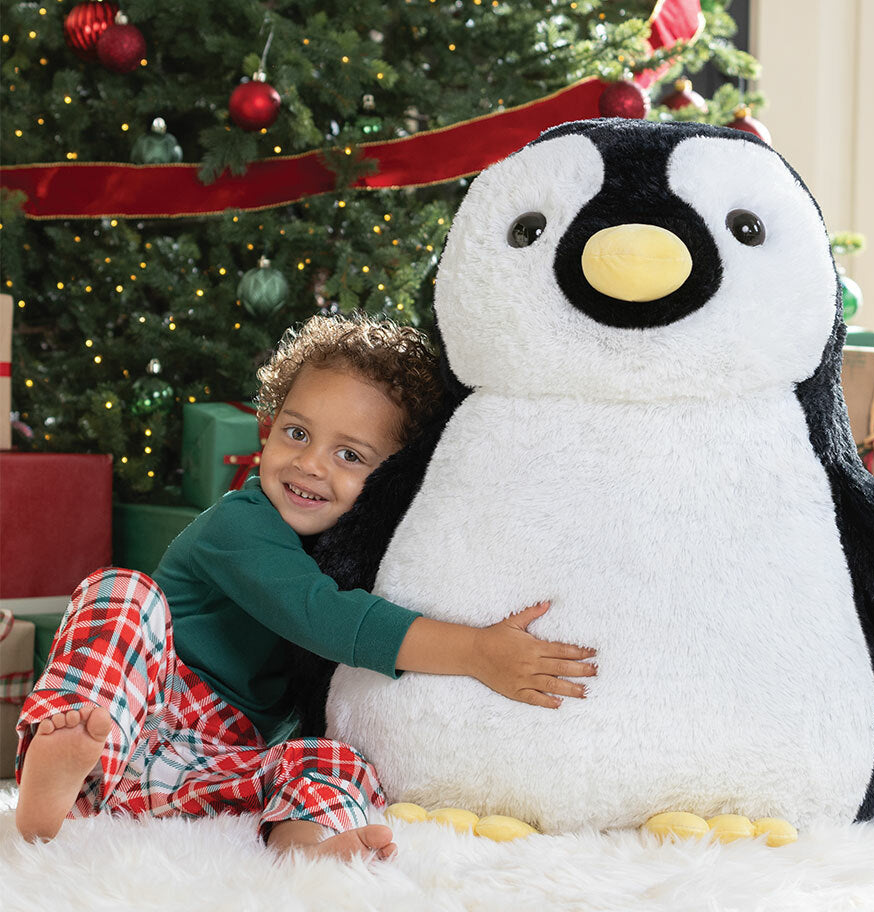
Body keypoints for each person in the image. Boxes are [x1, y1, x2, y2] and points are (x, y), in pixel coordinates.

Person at [14, 312, 598, 861]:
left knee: (337, 757)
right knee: (122, 590)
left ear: (391, 478)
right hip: (141, 713)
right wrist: (475, 651)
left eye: (349, 454)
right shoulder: (239, 525)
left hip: (204, 767)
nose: (311, 464)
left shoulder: (356, 550)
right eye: (296, 433)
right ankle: (60, 769)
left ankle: (306, 844)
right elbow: (326, 618)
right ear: (267, 431)